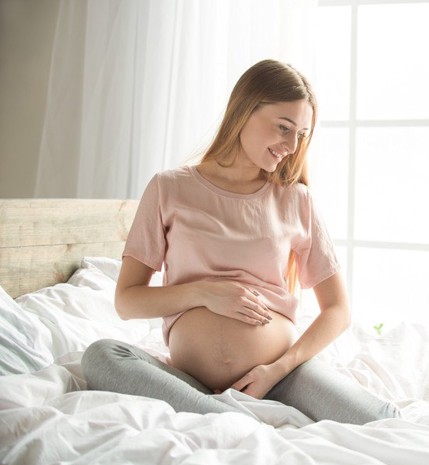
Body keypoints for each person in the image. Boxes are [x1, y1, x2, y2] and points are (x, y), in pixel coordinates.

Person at [81, 59, 399, 424]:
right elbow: (127, 301)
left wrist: (279, 369)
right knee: (101, 356)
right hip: (190, 382)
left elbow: (338, 310)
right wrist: (204, 293)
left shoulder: (295, 199)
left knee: (380, 419)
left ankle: (221, 419)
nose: (291, 146)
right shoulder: (169, 188)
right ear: (244, 109)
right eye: (284, 128)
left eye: (301, 135)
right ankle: (224, 417)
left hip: (279, 379)